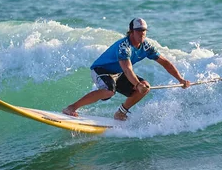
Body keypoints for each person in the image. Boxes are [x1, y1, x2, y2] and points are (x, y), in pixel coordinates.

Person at [63, 18, 191, 120]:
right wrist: (136, 84)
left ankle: (121, 113)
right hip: (101, 70)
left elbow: (165, 63)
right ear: (131, 31)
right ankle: (71, 108)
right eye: (138, 30)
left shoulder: (147, 47)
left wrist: (181, 79)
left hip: (118, 73)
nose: (141, 33)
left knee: (145, 87)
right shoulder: (124, 46)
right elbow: (128, 69)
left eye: (144, 30)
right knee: (109, 91)